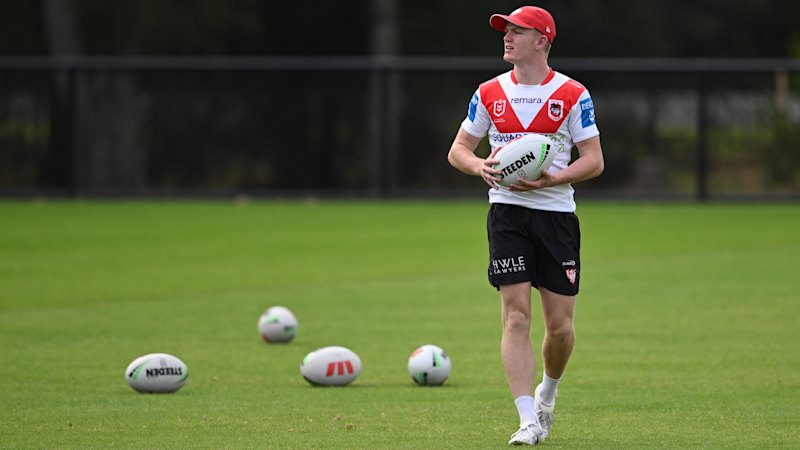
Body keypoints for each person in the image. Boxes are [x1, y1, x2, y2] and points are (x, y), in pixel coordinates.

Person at [447, 5, 604, 446]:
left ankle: (546, 398)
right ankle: (526, 420)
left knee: (559, 327)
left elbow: (594, 160)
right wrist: (479, 166)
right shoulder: (489, 92)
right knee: (515, 317)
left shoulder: (572, 94)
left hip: (556, 216)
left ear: (543, 40)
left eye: (518, 31)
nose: (507, 37)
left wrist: (556, 177)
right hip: (506, 213)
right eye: (506, 31)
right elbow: (458, 149)